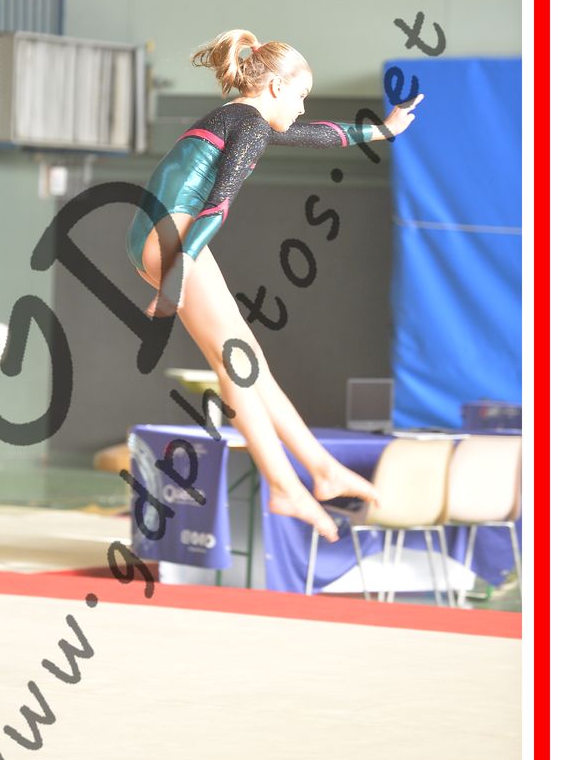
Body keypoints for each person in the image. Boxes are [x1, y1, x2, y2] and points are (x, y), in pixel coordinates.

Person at [125, 31, 423, 542]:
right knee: (237, 363)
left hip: (156, 235)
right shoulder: (249, 127)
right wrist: (179, 274)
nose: (303, 107)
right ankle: (289, 483)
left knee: (246, 363)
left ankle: (317, 471)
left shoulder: (240, 119)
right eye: (301, 95)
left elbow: (318, 135)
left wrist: (383, 130)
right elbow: (217, 206)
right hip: (173, 240)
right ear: (276, 87)